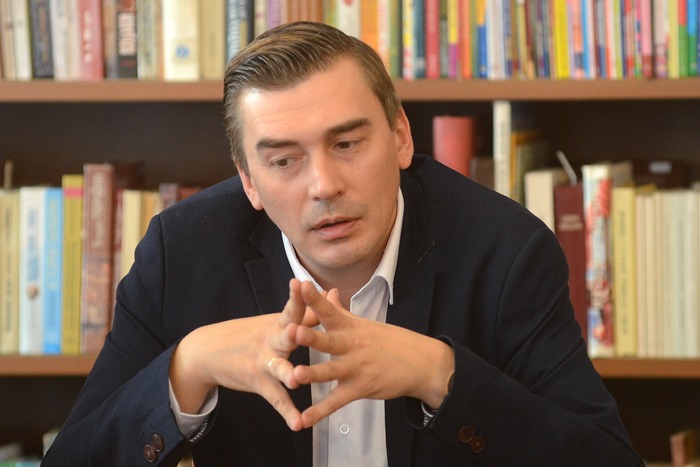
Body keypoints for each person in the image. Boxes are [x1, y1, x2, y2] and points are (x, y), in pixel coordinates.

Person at [43, 21, 643, 466]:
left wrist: (440, 374)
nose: (324, 185)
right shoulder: (182, 254)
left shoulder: (505, 251)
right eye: (284, 160)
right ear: (248, 181)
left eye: (347, 145)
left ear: (401, 137)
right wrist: (187, 366)